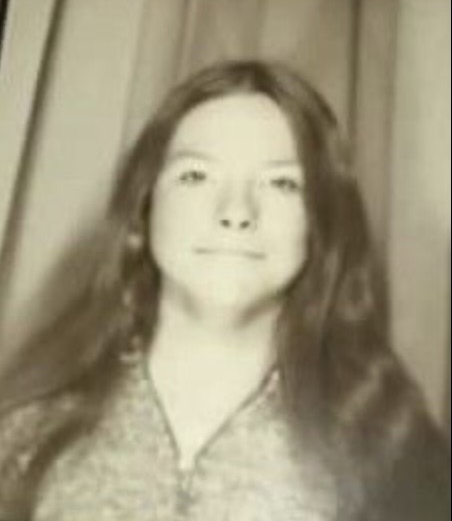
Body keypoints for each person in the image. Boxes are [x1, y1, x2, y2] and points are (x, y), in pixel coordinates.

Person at [0, 60, 449, 520]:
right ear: (143, 206)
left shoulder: (387, 445)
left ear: (321, 222)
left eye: (281, 183)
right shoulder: (28, 428)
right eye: (196, 176)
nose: (236, 212)